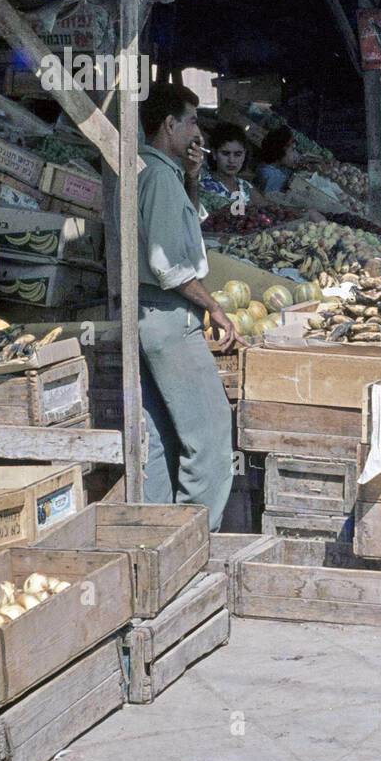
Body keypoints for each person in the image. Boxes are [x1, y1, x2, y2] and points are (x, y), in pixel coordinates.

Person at [137, 86, 238, 526]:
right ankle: (198, 534)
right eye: (193, 120)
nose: (199, 131)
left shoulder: (158, 171)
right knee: (212, 435)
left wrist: (194, 179)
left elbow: (181, 234)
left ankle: (161, 532)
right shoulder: (158, 176)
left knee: (160, 436)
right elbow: (168, 264)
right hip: (166, 313)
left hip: (146, 315)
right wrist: (214, 307)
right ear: (169, 125)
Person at [199, 122, 265, 216]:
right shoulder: (203, 186)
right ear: (214, 154)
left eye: (238, 154)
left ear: (244, 155)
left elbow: (269, 209)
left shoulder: (245, 187)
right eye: (225, 153)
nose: (232, 160)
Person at [256, 125, 300, 195]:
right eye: (293, 150)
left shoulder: (265, 166)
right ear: (281, 149)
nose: (296, 155)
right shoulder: (275, 176)